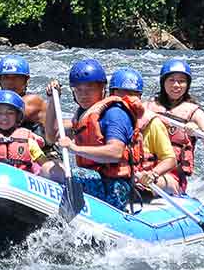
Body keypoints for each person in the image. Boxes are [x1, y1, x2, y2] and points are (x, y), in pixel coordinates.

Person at [44, 58, 142, 210]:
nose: (83, 94)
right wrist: (51, 100)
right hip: (95, 177)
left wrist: (74, 148)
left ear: (103, 89)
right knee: (49, 167)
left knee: (49, 170)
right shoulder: (82, 116)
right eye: (78, 89)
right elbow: (51, 137)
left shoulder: (114, 113)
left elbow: (115, 152)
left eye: (90, 88)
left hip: (115, 186)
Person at [145, 58, 204, 193]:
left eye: (182, 81)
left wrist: (197, 132)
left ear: (187, 85)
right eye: (171, 80)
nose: (176, 85)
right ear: (163, 82)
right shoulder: (148, 106)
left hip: (173, 176)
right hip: (145, 166)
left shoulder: (195, 113)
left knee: (145, 181)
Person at [107, 68, 179, 196]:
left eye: (132, 94)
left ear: (140, 97)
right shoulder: (105, 118)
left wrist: (153, 174)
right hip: (120, 176)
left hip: (148, 177)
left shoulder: (153, 123)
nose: (127, 98)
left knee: (145, 182)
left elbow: (170, 159)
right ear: (111, 95)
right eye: (122, 93)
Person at [0, 90, 49, 173]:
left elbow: (44, 163)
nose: (4, 117)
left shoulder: (28, 141)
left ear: (18, 116)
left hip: (21, 180)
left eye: (10, 113)